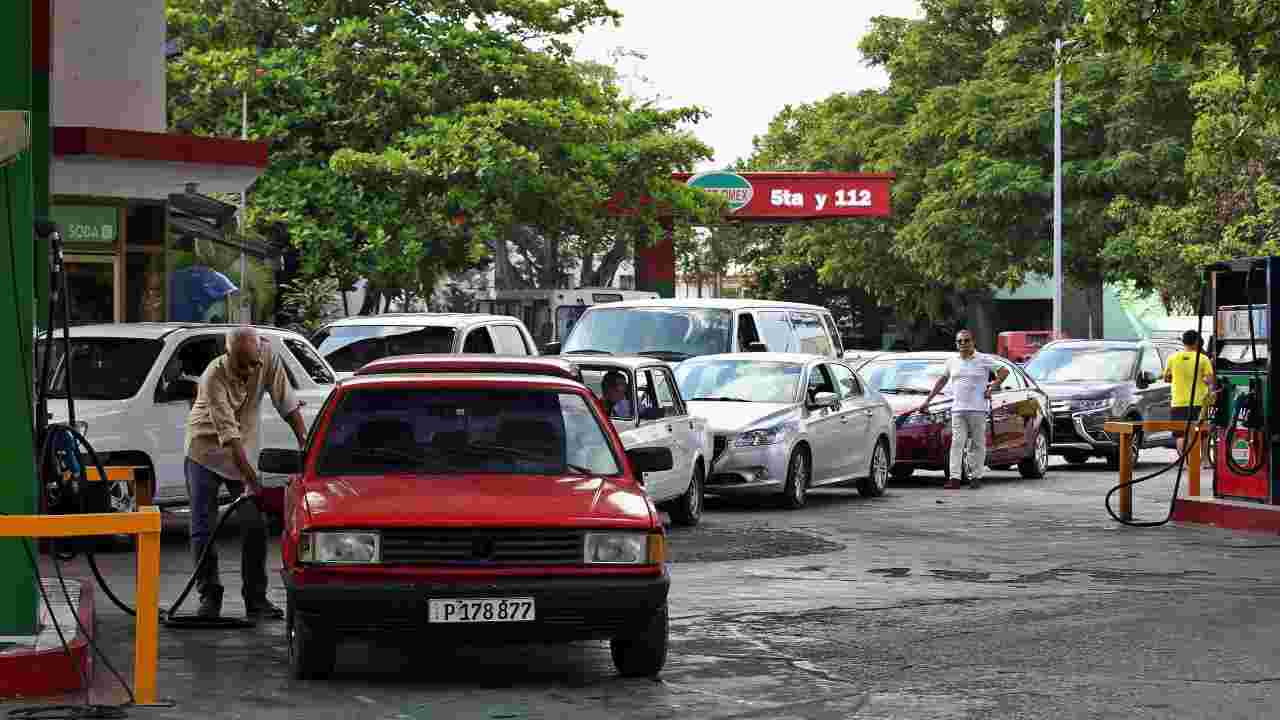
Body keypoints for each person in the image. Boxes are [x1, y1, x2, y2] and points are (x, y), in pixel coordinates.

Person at [184, 326, 307, 620]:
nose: (249, 371)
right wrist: (253, 482)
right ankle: (209, 598)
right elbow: (229, 436)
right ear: (228, 355)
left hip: (243, 453)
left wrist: (305, 439)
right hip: (205, 451)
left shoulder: (268, 358)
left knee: (254, 526)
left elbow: (286, 402)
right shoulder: (214, 376)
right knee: (203, 528)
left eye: (253, 364)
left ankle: (256, 599)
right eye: (241, 365)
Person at [914, 330, 1009, 489]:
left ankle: (976, 477)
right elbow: (942, 381)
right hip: (958, 409)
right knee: (957, 444)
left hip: (978, 409)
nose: (963, 344)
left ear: (973, 342)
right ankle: (955, 478)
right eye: (960, 341)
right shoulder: (952, 361)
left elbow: (1004, 371)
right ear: (956, 344)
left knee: (977, 445)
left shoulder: (983, 359)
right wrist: (927, 401)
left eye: (967, 341)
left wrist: (993, 386)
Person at [1163, 329, 1216, 456]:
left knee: (1181, 434)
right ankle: (1204, 460)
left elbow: (1167, 378)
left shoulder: (1172, 358)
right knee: (1202, 433)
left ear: (1183, 342)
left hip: (1178, 402)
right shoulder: (1203, 359)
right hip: (1199, 402)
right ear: (1197, 342)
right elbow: (1209, 380)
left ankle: (1184, 462)